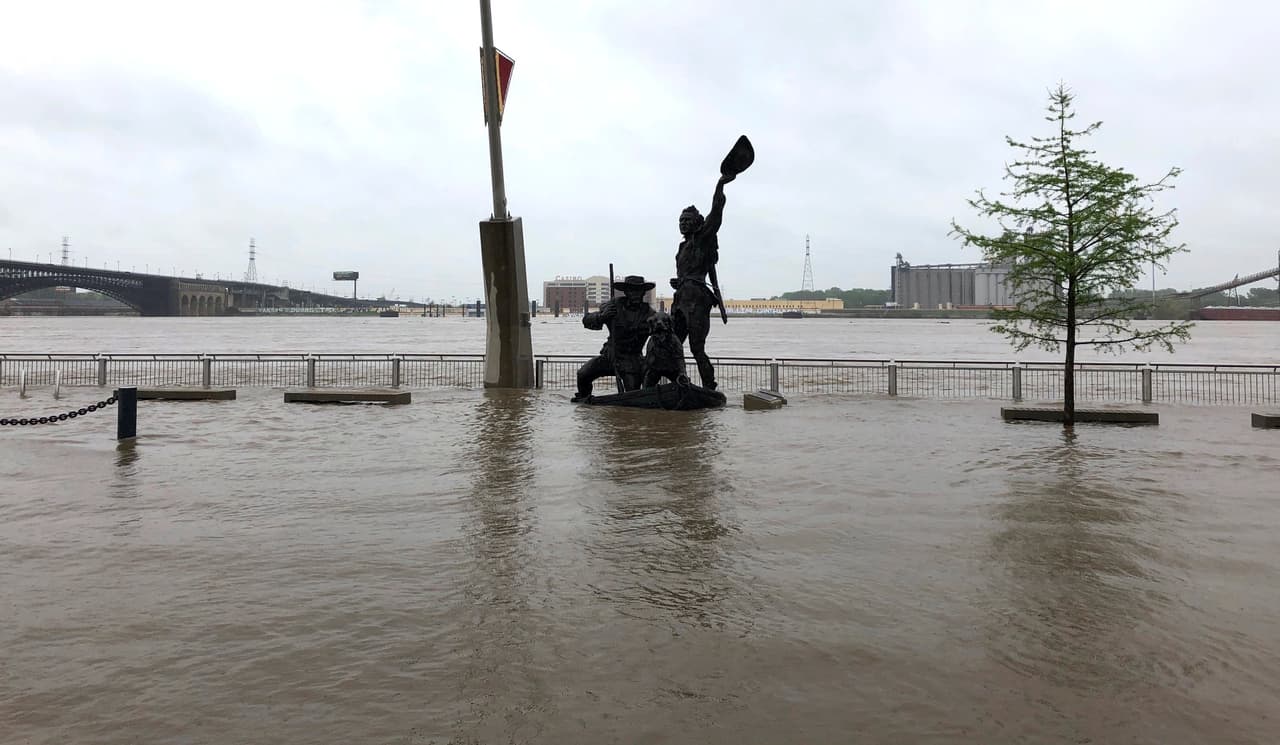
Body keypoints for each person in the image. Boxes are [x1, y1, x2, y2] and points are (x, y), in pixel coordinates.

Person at [670, 173, 734, 390]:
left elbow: (716, 213)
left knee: (697, 348)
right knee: (673, 345)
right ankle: (676, 381)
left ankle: (709, 387)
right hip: (680, 301)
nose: (683, 223)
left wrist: (720, 185)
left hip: (697, 300)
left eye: (687, 220)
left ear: (697, 223)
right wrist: (678, 282)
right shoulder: (682, 248)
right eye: (680, 220)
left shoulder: (703, 238)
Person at [572, 275, 657, 401]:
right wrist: (602, 317)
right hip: (610, 356)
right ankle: (585, 401)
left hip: (631, 360)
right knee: (583, 374)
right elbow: (586, 321)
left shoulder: (650, 314)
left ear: (643, 292)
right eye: (631, 290)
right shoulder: (614, 305)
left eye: (638, 291)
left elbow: (663, 333)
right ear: (626, 292)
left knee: (632, 396)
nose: (635, 294)